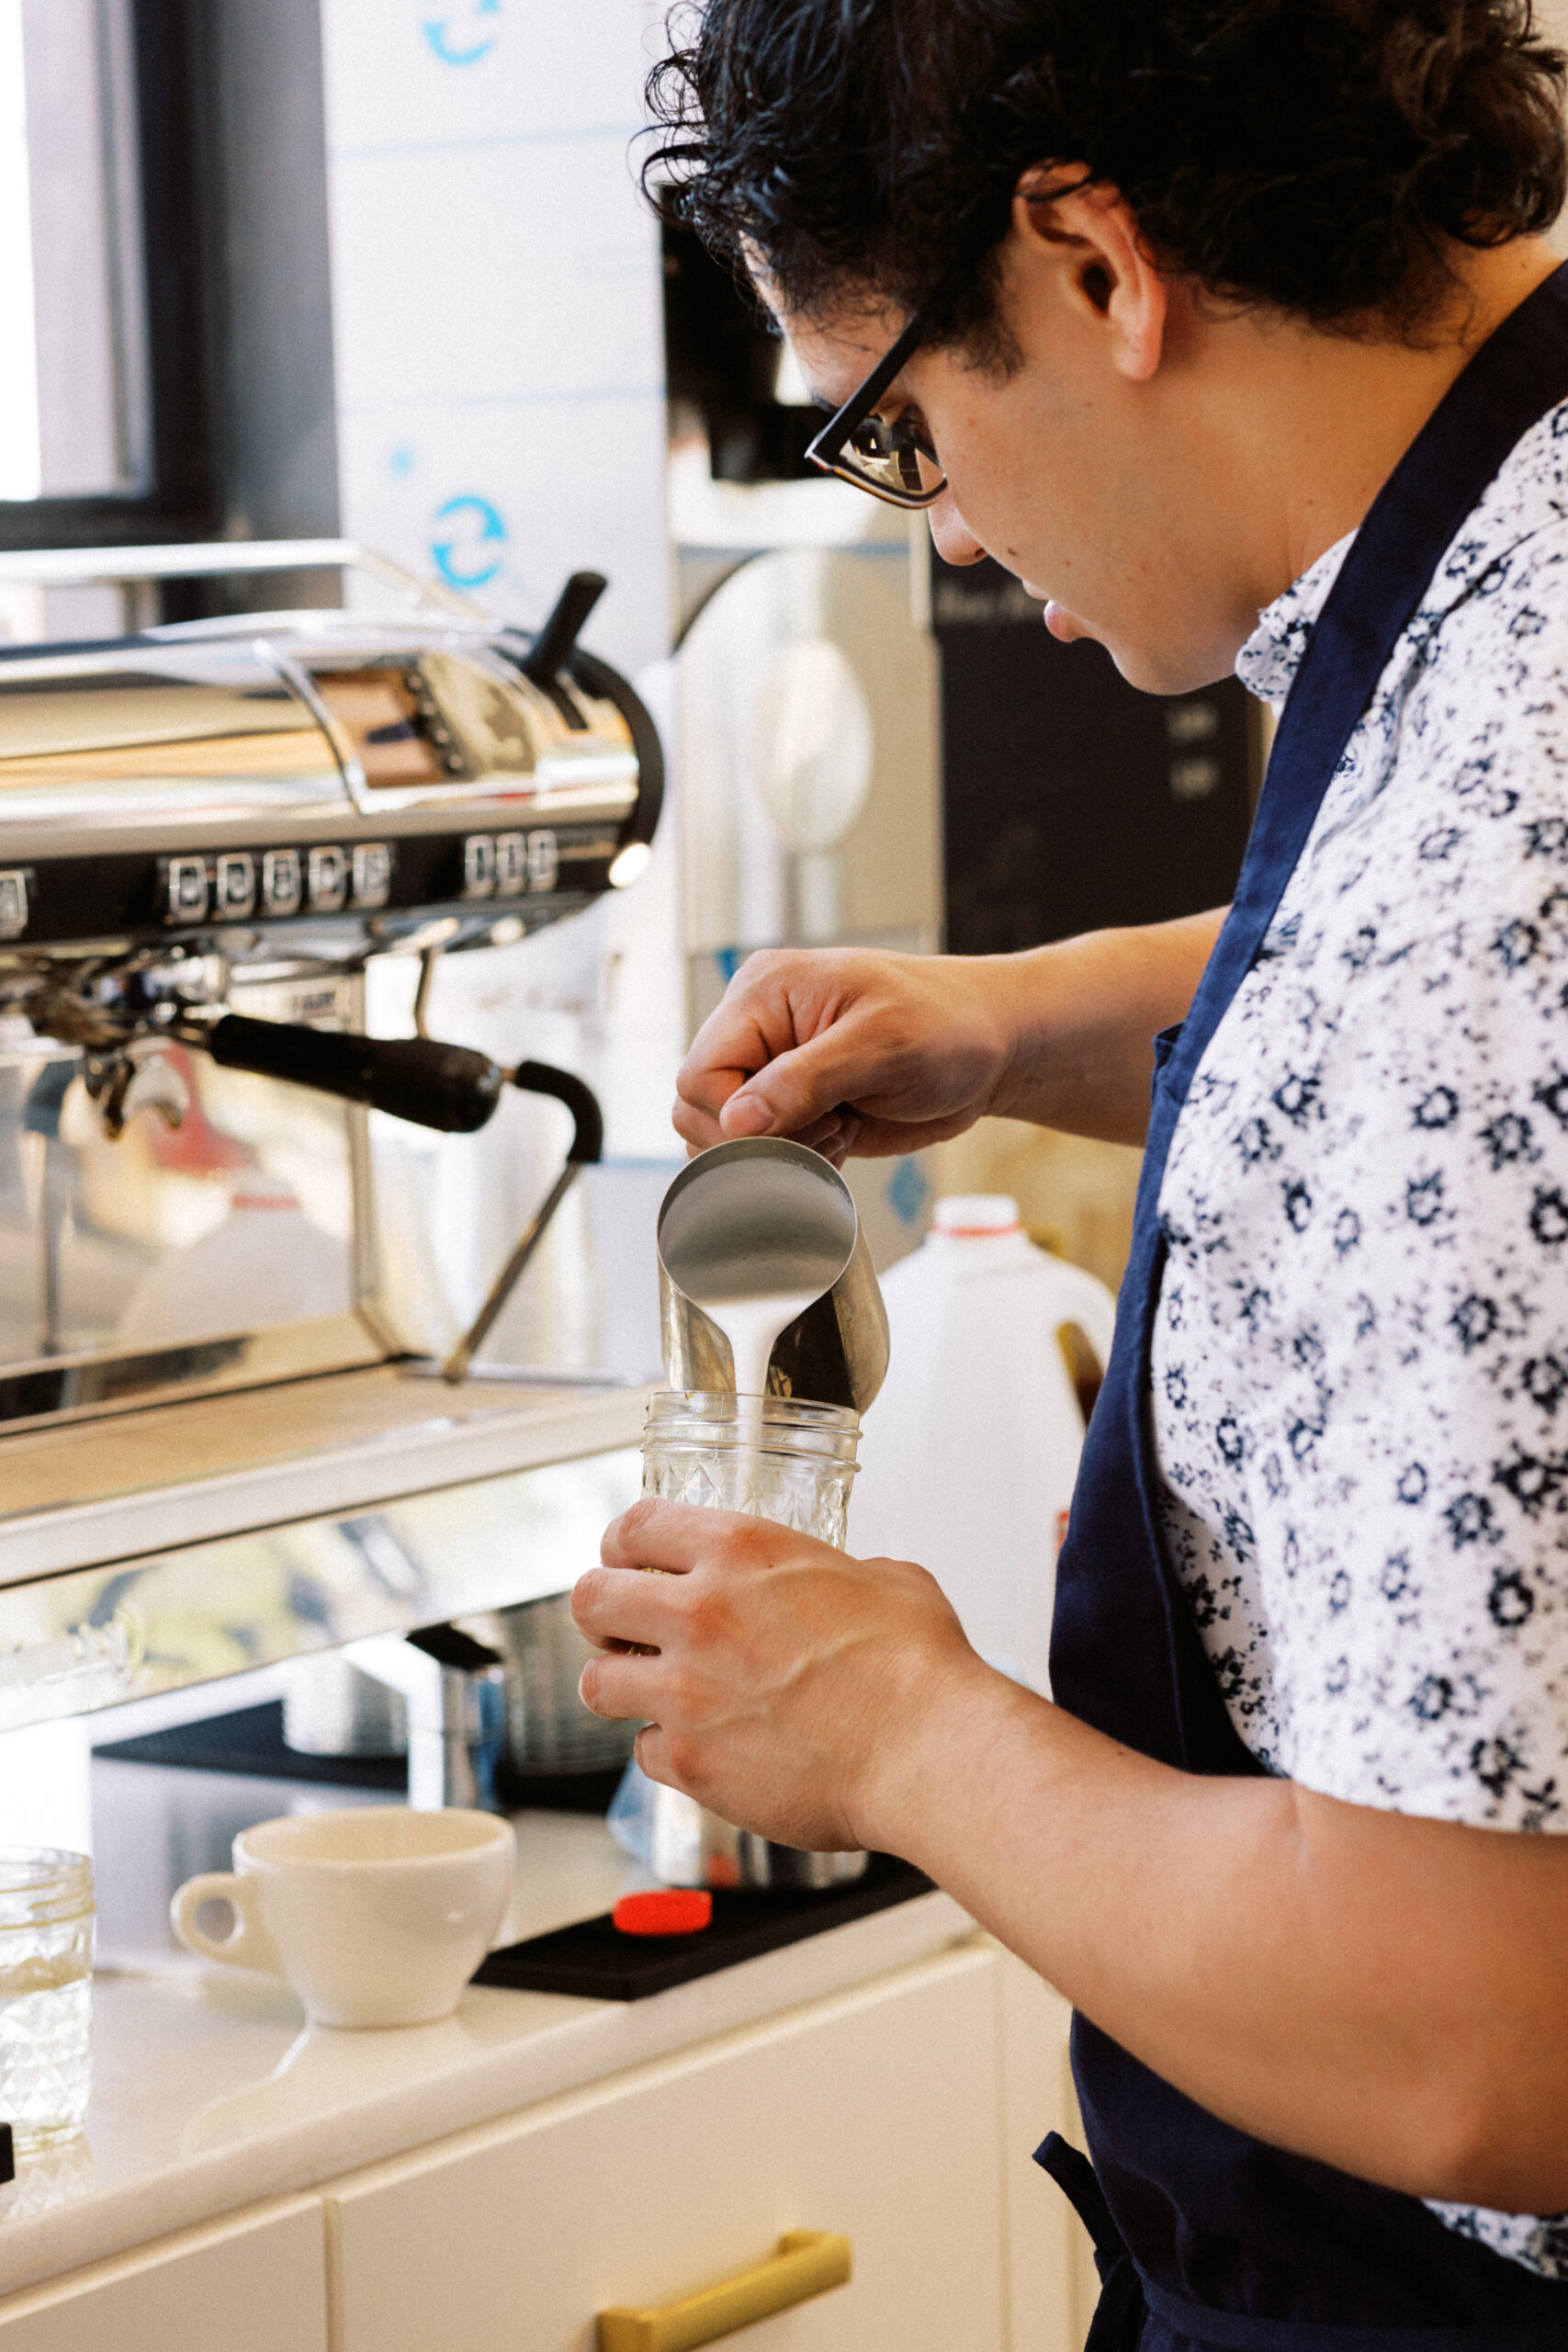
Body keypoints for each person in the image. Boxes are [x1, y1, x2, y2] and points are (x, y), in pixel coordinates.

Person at [571, 4, 1568, 2340]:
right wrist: (1026, 1020)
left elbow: (1476, 2034)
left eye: (902, 426)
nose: (951, 527)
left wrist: (900, 1728)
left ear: (1098, 269)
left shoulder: (1460, 931)